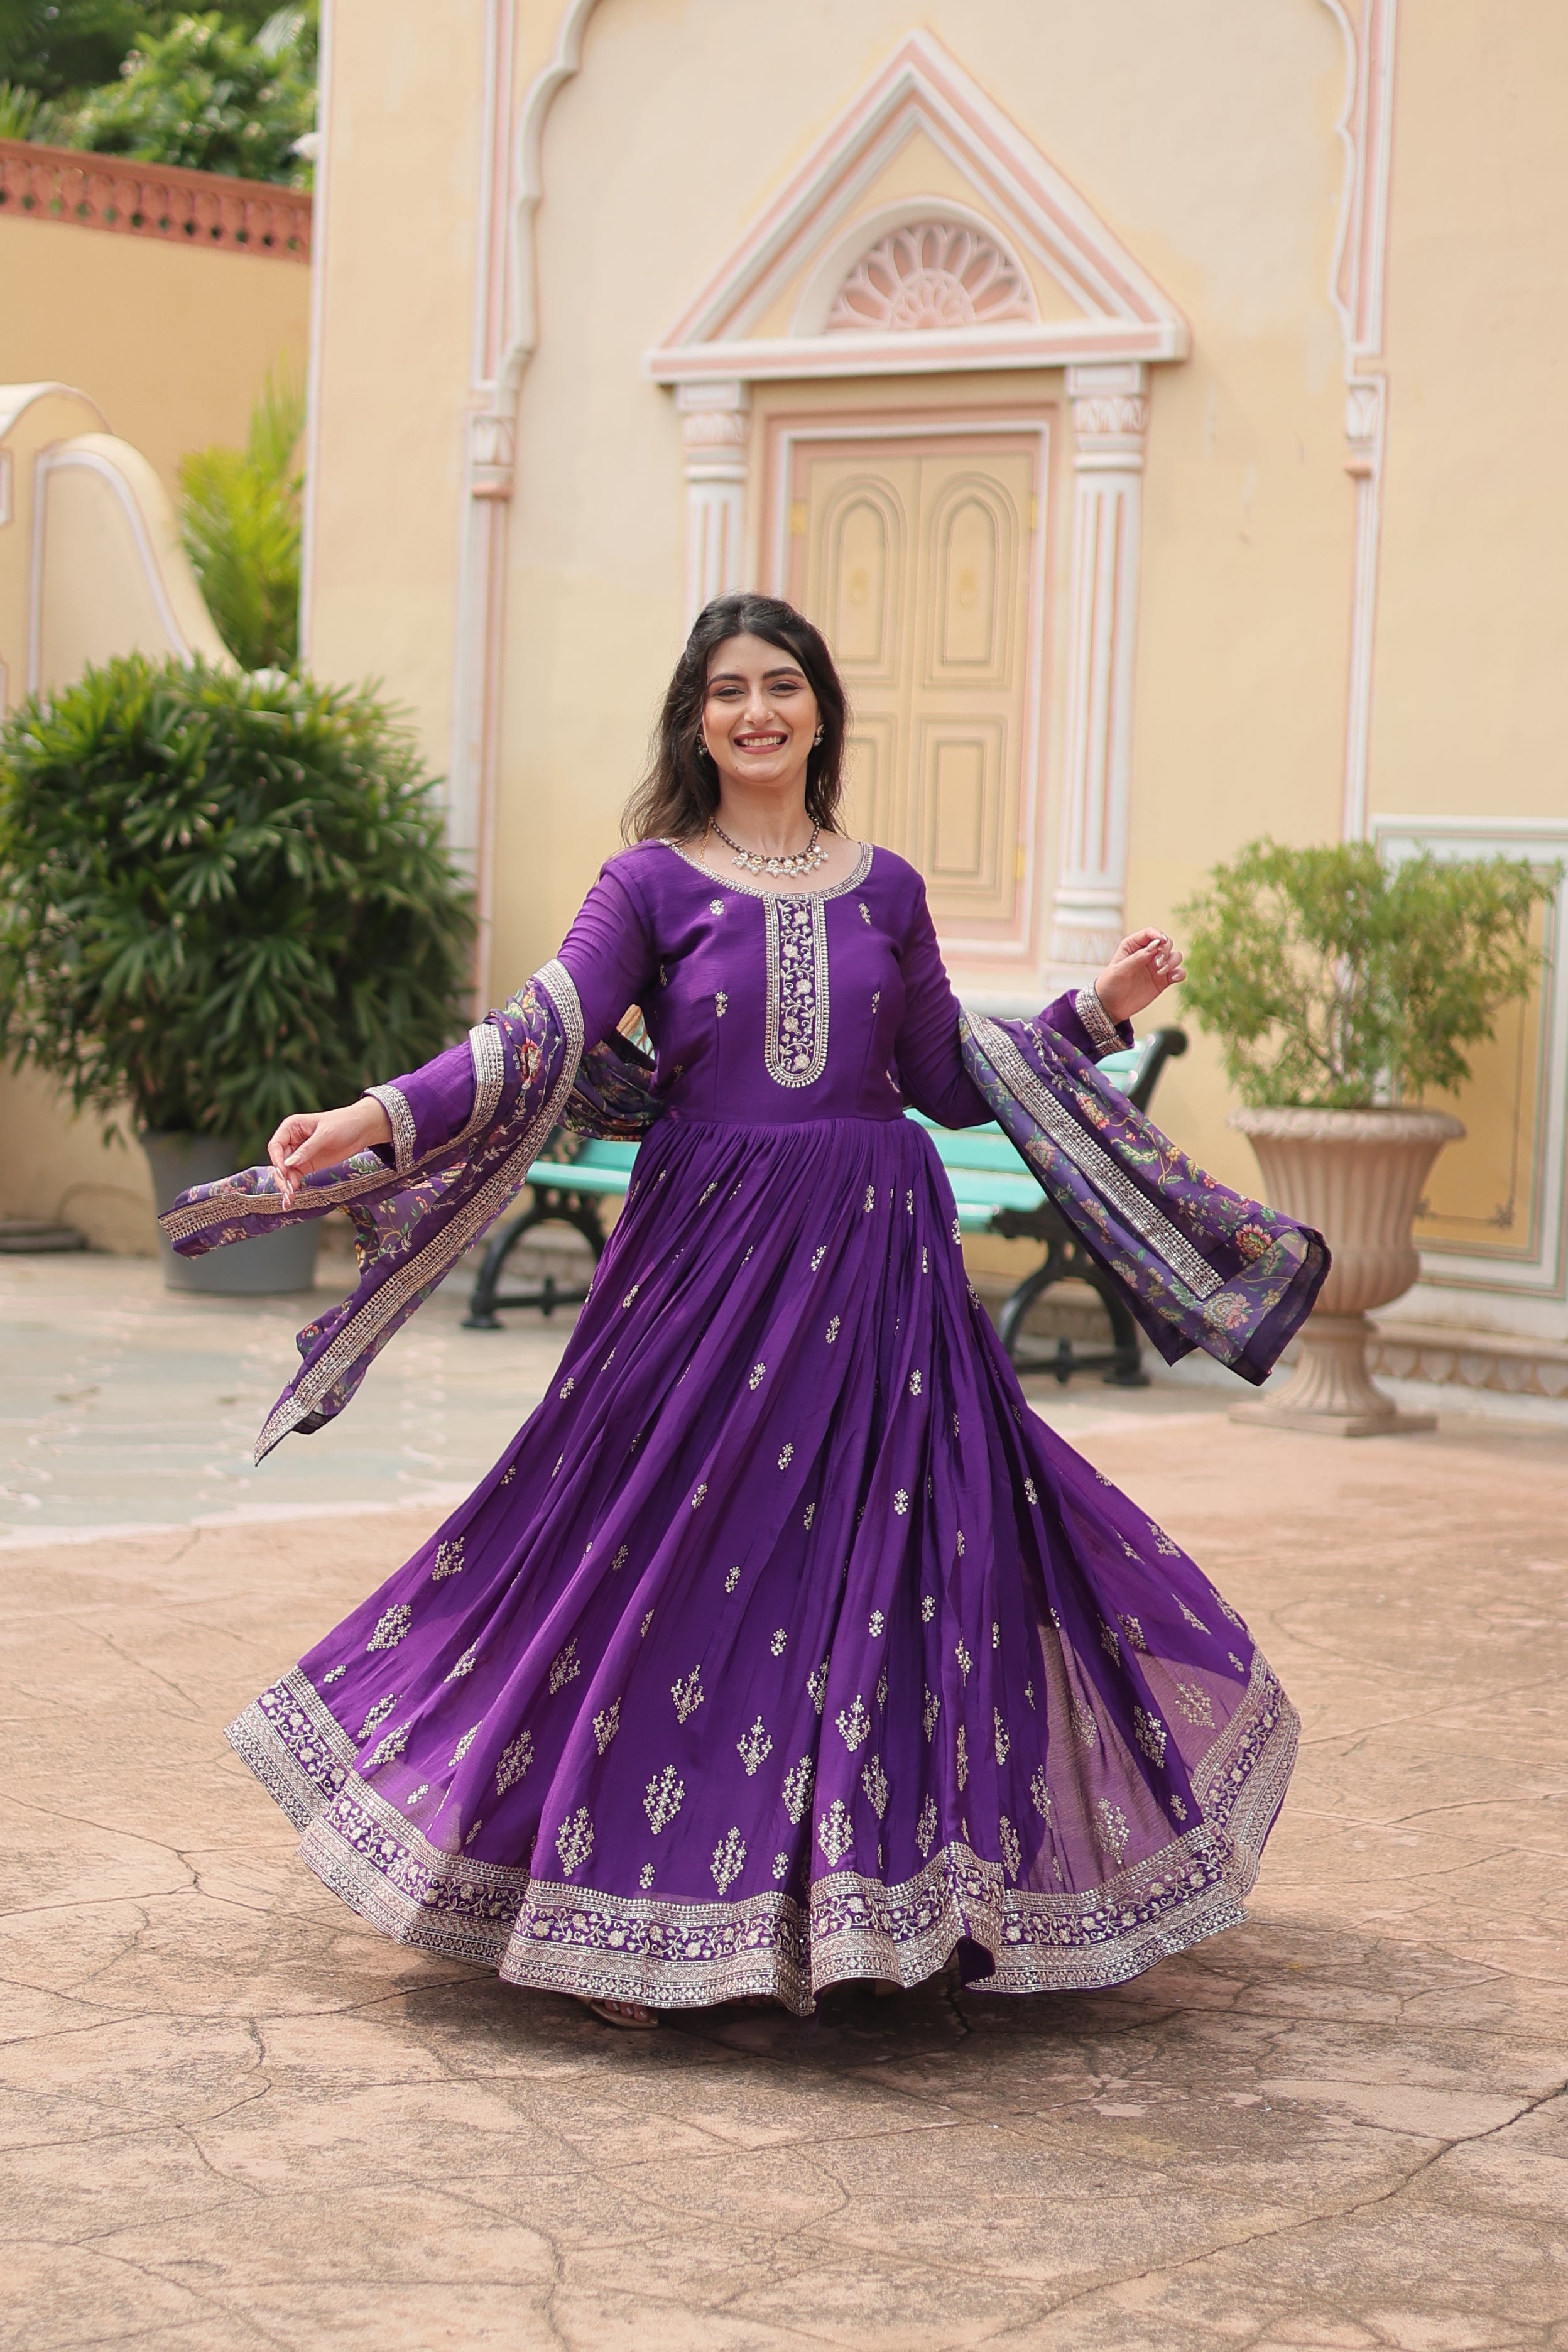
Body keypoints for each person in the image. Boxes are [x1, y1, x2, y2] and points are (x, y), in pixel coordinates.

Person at [178, 594, 1320, 2030]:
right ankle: (617, 1910)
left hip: (879, 1273)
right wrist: (369, 1118)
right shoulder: (648, 885)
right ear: (697, 722)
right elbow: (537, 1032)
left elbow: (946, 1081)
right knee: (664, 1547)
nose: (758, 711)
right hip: (706, 1268)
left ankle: (873, 1911)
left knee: (889, 1565)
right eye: (728, 691)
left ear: (821, 710)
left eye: (782, 685)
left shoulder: (887, 887)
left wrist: (1092, 1012)